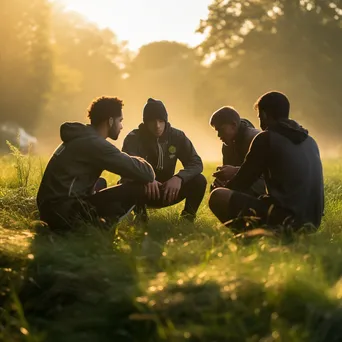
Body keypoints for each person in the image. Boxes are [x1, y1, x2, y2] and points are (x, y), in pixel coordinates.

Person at [209, 91, 324, 231]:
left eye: (259, 117)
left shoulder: (265, 138)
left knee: (217, 196)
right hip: (313, 222)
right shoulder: (310, 140)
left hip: (286, 219)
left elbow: (242, 182)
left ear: (264, 115)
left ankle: (251, 236)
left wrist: (223, 187)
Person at [36, 96, 155, 232]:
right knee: (138, 188)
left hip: (50, 209)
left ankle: (90, 224)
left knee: (101, 182)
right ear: (110, 121)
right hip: (63, 215)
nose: (122, 126)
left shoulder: (82, 137)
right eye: (120, 121)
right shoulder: (96, 144)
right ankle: (98, 231)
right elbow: (147, 173)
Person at [122, 98, 207, 222]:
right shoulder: (134, 138)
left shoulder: (177, 136)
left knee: (199, 180)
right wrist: (146, 178)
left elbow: (196, 163)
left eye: (161, 121)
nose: (157, 126)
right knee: (127, 184)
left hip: (168, 190)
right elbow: (126, 166)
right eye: (152, 121)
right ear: (145, 122)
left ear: (166, 121)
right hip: (142, 190)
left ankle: (187, 219)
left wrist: (179, 178)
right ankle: (140, 219)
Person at [209, 106, 265, 196]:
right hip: (245, 183)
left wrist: (235, 172)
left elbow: (266, 175)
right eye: (217, 131)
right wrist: (222, 181)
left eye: (221, 129)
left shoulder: (256, 139)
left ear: (234, 125)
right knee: (216, 190)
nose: (219, 135)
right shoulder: (227, 145)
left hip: (264, 188)